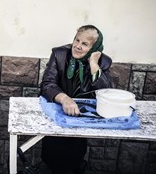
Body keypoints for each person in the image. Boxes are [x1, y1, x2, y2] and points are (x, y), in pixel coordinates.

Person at [40, 25, 112, 174]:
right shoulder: (59, 54)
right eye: (76, 40)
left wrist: (93, 65)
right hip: (57, 113)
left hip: (81, 120)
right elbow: (47, 84)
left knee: (74, 157)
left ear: (95, 48)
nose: (78, 46)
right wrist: (64, 98)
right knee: (52, 155)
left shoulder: (103, 62)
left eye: (85, 44)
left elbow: (106, 93)